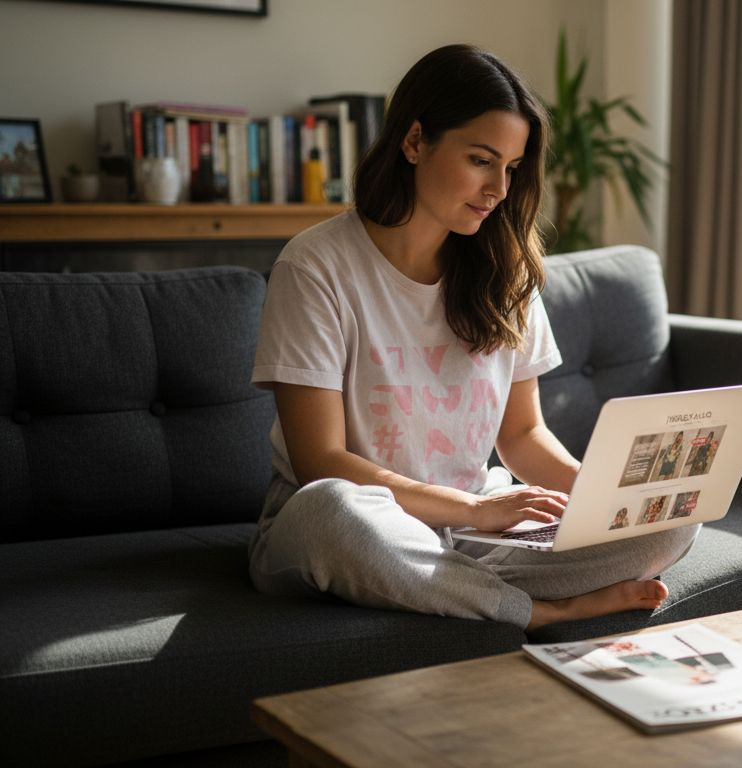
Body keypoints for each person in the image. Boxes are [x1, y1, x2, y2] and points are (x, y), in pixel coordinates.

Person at [246, 44, 697, 630]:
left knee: (673, 516)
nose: (499, 190)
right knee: (332, 514)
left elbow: (523, 434)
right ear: (413, 142)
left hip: (471, 533)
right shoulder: (316, 266)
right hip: (356, 524)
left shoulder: (505, 271)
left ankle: (442, 589)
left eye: (511, 168)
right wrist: (477, 509)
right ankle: (533, 611)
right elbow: (321, 463)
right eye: (481, 160)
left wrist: (605, 498)